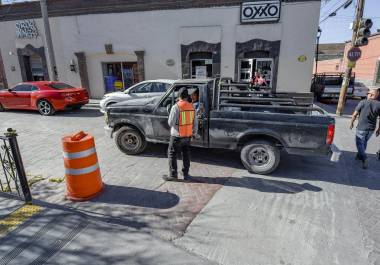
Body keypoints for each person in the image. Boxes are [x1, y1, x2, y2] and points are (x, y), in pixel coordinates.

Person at [163, 88, 198, 181]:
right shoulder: (192, 107)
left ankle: (173, 175)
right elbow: (195, 123)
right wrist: (194, 133)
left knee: (172, 154)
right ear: (187, 96)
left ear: (179, 96)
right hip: (187, 136)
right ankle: (185, 174)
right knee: (186, 155)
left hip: (177, 136)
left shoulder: (176, 107)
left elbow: (170, 123)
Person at [349, 88, 380, 169]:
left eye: (369, 93)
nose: (368, 94)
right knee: (364, 142)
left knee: (359, 143)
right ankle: (359, 155)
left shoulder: (363, 102)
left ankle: (364, 158)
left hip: (361, 127)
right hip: (371, 129)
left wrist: (351, 123)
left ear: (372, 95)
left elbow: (354, 114)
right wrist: (378, 129)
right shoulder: (379, 104)